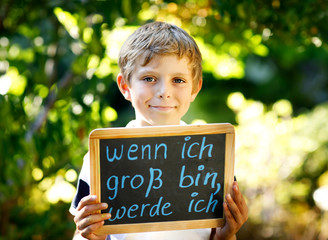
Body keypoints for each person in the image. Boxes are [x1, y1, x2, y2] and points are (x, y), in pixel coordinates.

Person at [70, 21, 248, 240]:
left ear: (195, 88)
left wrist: (228, 234)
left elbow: (218, 236)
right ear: (125, 86)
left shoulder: (212, 155)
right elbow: (84, 233)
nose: (164, 91)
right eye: (149, 78)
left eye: (178, 80)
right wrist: (88, 235)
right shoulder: (101, 156)